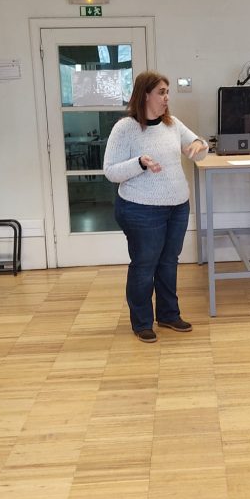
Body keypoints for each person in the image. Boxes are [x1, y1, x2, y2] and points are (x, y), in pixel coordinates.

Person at [103, 71, 208, 343]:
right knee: (145, 264)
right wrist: (139, 162)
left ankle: (169, 314)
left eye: (167, 92)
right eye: (161, 92)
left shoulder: (172, 124)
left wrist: (199, 145)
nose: (166, 97)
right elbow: (111, 171)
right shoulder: (125, 128)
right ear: (145, 94)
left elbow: (199, 146)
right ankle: (142, 322)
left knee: (169, 262)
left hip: (177, 207)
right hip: (140, 209)